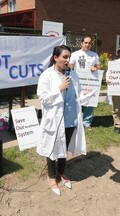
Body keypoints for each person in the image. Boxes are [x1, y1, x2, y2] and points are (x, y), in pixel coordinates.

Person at [37, 45, 87, 196]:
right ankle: (52, 177)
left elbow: (77, 93)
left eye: (69, 57)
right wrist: (59, 88)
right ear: (55, 58)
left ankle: (61, 172)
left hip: (70, 119)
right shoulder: (46, 76)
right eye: (64, 57)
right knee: (52, 147)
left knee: (63, 149)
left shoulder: (73, 74)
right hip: (55, 120)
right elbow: (43, 98)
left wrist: (84, 94)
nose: (67, 60)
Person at [69, 35, 101, 131]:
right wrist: (71, 68)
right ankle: (75, 121)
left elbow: (99, 66)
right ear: (81, 43)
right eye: (86, 42)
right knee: (76, 100)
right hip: (77, 80)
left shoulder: (94, 55)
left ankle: (87, 122)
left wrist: (95, 68)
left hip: (90, 82)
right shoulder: (75, 54)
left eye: (89, 43)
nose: (87, 44)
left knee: (89, 101)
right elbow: (71, 64)